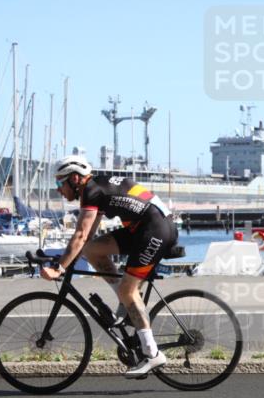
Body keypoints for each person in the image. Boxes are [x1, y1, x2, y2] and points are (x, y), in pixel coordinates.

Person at [40, 155, 177, 378]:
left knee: (127, 290)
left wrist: (60, 268)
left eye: (59, 183)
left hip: (155, 230)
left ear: (75, 179)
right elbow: (88, 237)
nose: (58, 190)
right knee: (92, 250)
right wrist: (67, 259)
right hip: (145, 227)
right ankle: (127, 303)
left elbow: (81, 233)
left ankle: (152, 354)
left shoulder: (92, 192)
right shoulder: (97, 188)